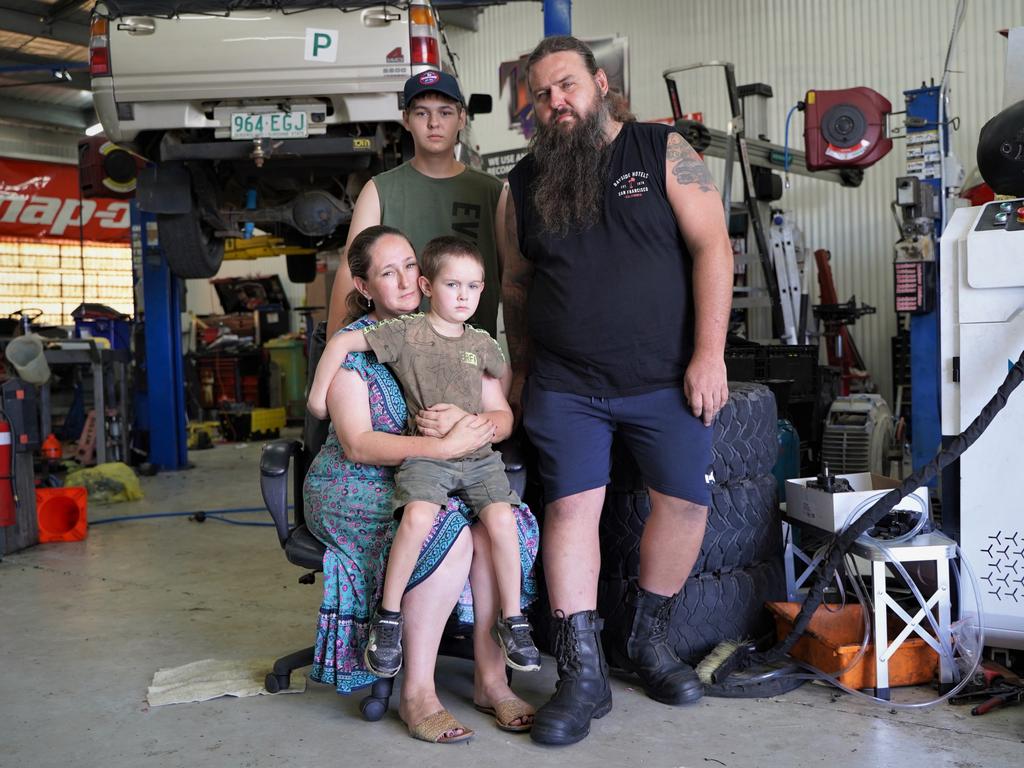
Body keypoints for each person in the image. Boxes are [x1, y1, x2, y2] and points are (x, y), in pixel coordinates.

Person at [500, 36, 734, 746]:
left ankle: (649, 640)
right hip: (566, 385)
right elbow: (515, 284)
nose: (555, 103)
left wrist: (709, 354)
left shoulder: (663, 152)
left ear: (599, 83)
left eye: (566, 86)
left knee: (687, 506)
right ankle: (582, 673)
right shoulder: (523, 181)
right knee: (571, 511)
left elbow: (713, 248)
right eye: (541, 95)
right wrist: (517, 369)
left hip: (664, 377)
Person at [303, 225, 539, 743]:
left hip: (444, 471)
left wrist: (470, 421)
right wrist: (442, 446)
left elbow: (502, 417)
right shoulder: (357, 347)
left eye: (410, 264)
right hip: (356, 482)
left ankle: (491, 679)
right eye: (389, 272)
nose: (407, 278)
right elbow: (359, 444)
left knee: (505, 525)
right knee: (447, 537)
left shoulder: (456, 332)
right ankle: (418, 693)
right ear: (364, 286)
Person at [326, 70, 505, 338]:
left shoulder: (493, 192)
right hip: (396, 356)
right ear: (406, 120)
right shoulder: (379, 190)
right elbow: (348, 271)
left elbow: (514, 278)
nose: (434, 123)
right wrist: (335, 350)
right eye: (422, 113)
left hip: (469, 357)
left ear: (461, 118)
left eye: (445, 112)